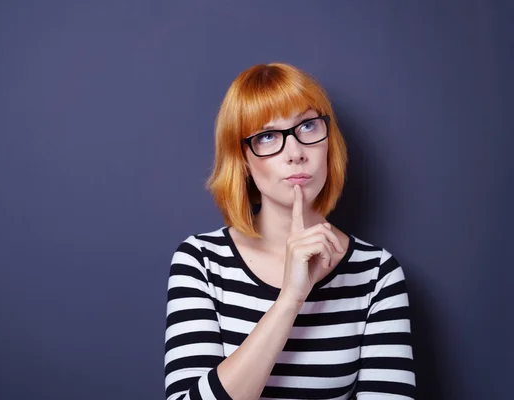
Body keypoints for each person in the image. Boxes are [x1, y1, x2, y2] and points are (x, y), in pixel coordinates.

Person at [164, 63, 416, 400]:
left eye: (308, 126)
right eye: (267, 136)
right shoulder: (202, 261)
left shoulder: (377, 273)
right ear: (243, 161)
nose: (295, 153)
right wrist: (290, 300)